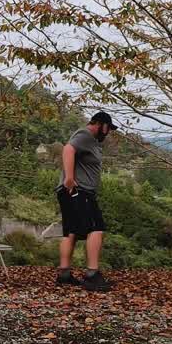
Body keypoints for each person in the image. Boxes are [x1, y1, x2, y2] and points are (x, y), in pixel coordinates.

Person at [55, 111, 117, 292]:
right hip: (79, 191)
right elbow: (68, 149)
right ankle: (92, 275)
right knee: (96, 228)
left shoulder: (91, 141)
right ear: (101, 125)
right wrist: (69, 178)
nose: (108, 133)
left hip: (71, 192)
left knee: (71, 232)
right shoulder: (85, 135)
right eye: (108, 129)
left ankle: (64, 274)